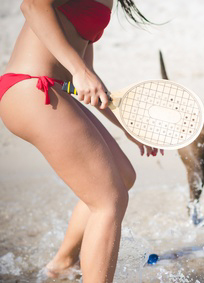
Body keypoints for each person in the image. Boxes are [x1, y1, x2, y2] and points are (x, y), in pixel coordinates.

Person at [0, 0, 161, 281]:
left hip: (54, 91)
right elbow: (33, 6)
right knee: (109, 200)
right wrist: (79, 71)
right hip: (30, 87)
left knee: (123, 177)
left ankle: (63, 264)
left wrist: (125, 125)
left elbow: (85, 79)